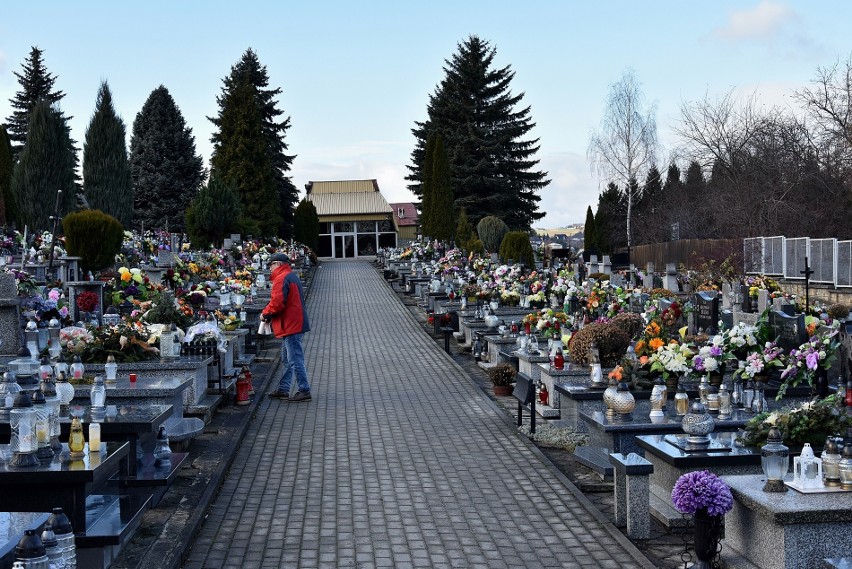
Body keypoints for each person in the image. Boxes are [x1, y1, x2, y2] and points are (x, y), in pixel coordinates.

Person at [263, 253, 312, 402]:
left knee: (295, 359)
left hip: (291, 325)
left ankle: (304, 390)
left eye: (270, 265)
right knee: (287, 358)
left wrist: (265, 314)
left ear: (277, 264)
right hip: (294, 322)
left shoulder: (281, 278)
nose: (269, 268)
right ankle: (284, 389)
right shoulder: (291, 275)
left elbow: (277, 303)